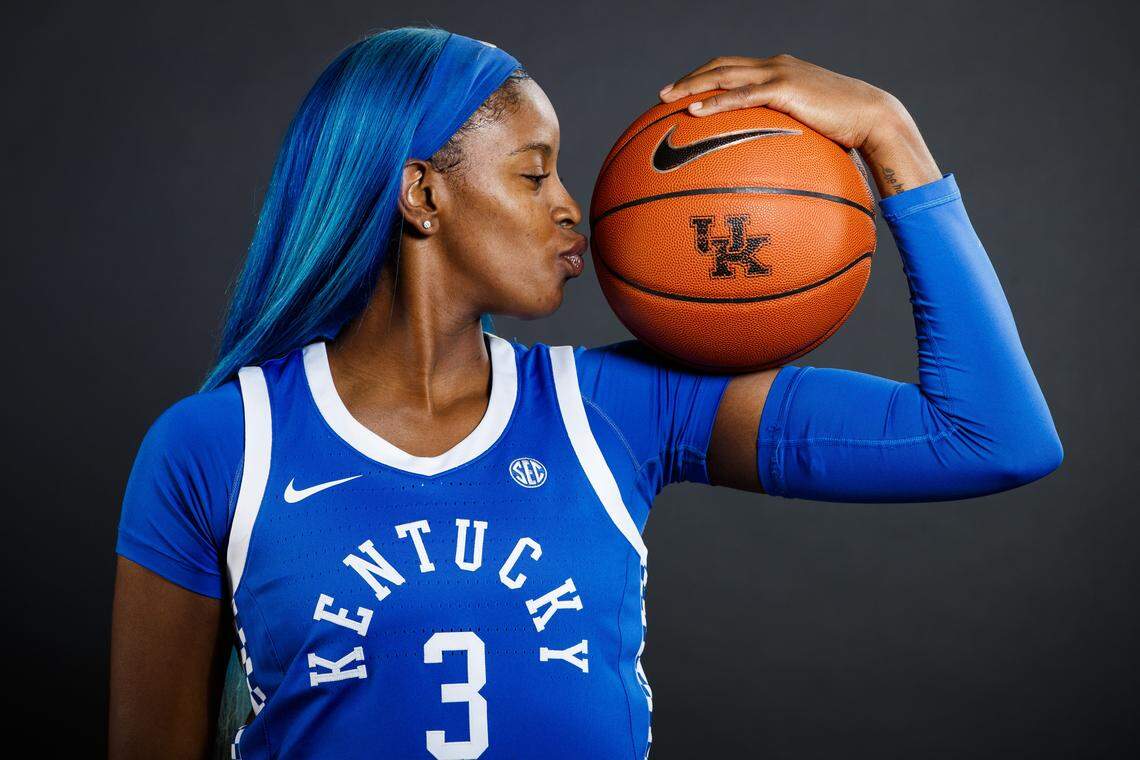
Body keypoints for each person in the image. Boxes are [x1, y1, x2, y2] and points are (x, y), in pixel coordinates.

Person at [108, 26, 1063, 760]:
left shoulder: (617, 405)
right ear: (421, 195)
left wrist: (887, 131)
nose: (574, 207)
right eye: (534, 174)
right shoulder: (220, 448)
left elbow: (991, 436)